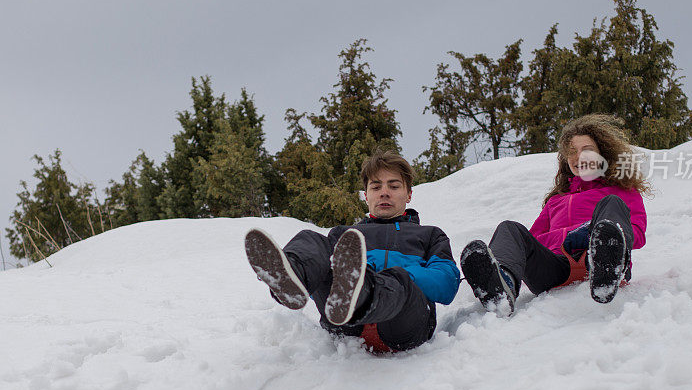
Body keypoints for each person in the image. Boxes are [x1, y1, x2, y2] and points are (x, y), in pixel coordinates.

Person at [245, 150, 460, 352]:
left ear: (409, 194)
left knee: (399, 278)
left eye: (394, 187)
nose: (384, 193)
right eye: (376, 187)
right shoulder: (346, 236)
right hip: (346, 326)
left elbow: (446, 282)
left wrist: (387, 274)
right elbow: (322, 274)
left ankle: (362, 287)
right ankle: (291, 277)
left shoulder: (430, 235)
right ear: (366, 195)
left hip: (404, 325)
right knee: (311, 240)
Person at [461, 114, 649, 314]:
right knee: (509, 229)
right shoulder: (556, 201)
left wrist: (593, 234)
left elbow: (636, 233)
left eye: (587, 150)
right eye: (572, 152)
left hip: (596, 260)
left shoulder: (621, 191)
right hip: (555, 268)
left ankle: (607, 269)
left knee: (611, 204)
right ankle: (500, 285)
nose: (579, 157)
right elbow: (532, 242)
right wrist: (568, 236)